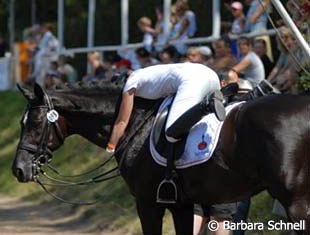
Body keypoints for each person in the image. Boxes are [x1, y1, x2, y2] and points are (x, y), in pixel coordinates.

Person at [106, 63, 226, 153]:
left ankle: (207, 107)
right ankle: (227, 96)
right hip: (211, 74)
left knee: (171, 132)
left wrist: (111, 146)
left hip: (193, 81)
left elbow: (121, 122)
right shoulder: (145, 71)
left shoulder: (130, 83)